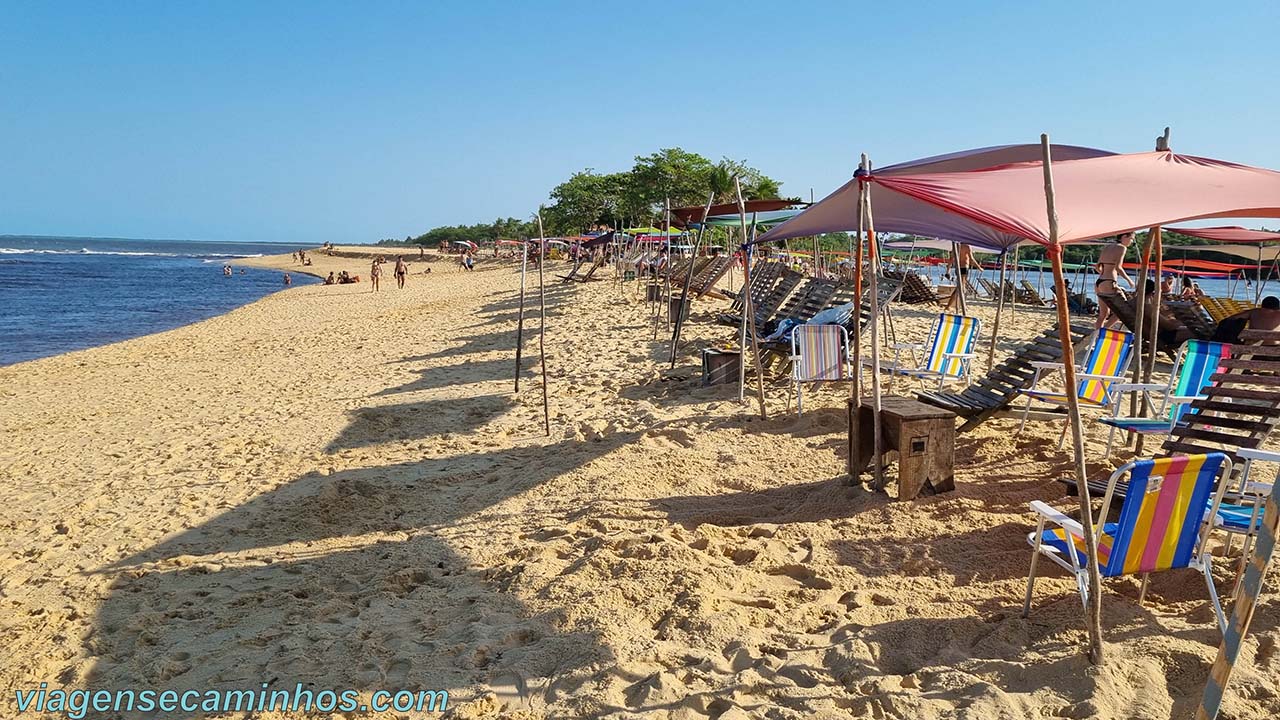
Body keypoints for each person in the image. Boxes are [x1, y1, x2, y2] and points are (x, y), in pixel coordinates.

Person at [1094, 233, 1135, 329]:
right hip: (1109, 282)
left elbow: (1097, 266)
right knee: (1122, 312)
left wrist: (1104, 274)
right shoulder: (1122, 248)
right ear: (1124, 236)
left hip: (1099, 282)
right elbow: (1118, 267)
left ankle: (1095, 336)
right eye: (1131, 239)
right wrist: (1129, 280)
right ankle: (1103, 331)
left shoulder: (1107, 247)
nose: (1132, 242)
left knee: (1103, 314)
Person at [1212, 296, 1280, 343]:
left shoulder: (1254, 312)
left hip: (1251, 348)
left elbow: (1232, 318)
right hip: (1274, 348)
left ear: (1262, 305)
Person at [944, 244, 977, 312]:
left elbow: (951, 260)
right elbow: (971, 259)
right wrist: (979, 267)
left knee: (962, 288)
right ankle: (948, 306)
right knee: (960, 288)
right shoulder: (967, 247)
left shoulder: (955, 246)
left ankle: (963, 305)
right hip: (964, 267)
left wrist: (948, 271)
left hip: (958, 268)